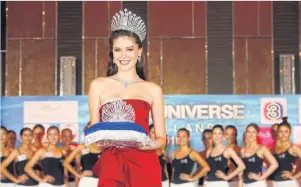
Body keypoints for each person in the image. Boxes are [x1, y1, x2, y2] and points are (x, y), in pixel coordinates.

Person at [84, 8, 166, 187]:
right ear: (112, 53)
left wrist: (143, 144)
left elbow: (161, 138)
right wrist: (98, 143)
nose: (123, 55)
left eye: (129, 49)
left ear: (139, 51)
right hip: (113, 165)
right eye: (118, 50)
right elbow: (94, 137)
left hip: (145, 163)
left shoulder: (152, 89)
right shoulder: (98, 85)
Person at [269, 117, 301, 187]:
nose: (283, 134)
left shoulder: (293, 148)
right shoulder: (272, 148)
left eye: (286, 131)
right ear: (277, 132)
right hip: (273, 183)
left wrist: (294, 176)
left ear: (290, 133)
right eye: (281, 131)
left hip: (288, 183)